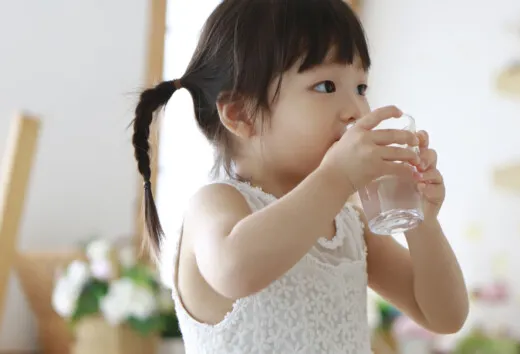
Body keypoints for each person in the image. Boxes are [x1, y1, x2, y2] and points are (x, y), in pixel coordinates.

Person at [129, 0, 469, 352]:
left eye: (361, 88)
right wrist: (336, 178)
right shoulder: (216, 203)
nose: (356, 110)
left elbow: (445, 315)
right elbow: (236, 270)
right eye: (325, 86)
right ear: (240, 114)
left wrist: (422, 222)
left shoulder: (349, 223)